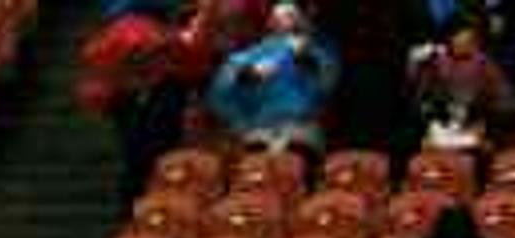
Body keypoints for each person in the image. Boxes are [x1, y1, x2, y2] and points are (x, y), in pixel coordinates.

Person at [84, 0, 208, 204]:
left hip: (132, 102)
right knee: (153, 155)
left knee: (138, 158)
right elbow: (191, 65)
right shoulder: (155, 34)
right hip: (151, 100)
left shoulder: (108, 38)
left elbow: (95, 82)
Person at [208, 3, 340, 154]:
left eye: (291, 15)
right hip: (258, 130)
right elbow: (217, 95)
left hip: (300, 128)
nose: (284, 21)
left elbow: (328, 82)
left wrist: (304, 58)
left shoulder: (316, 51)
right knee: (257, 167)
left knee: (295, 160)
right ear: (270, 22)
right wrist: (246, 76)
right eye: (278, 16)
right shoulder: (252, 55)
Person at [407, 24, 515, 150]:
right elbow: (420, 96)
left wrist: (485, 124)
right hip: (440, 124)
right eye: (456, 38)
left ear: (475, 42)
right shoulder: (435, 62)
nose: (459, 43)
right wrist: (430, 121)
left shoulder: (486, 66)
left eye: (467, 40)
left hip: (474, 125)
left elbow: (506, 100)